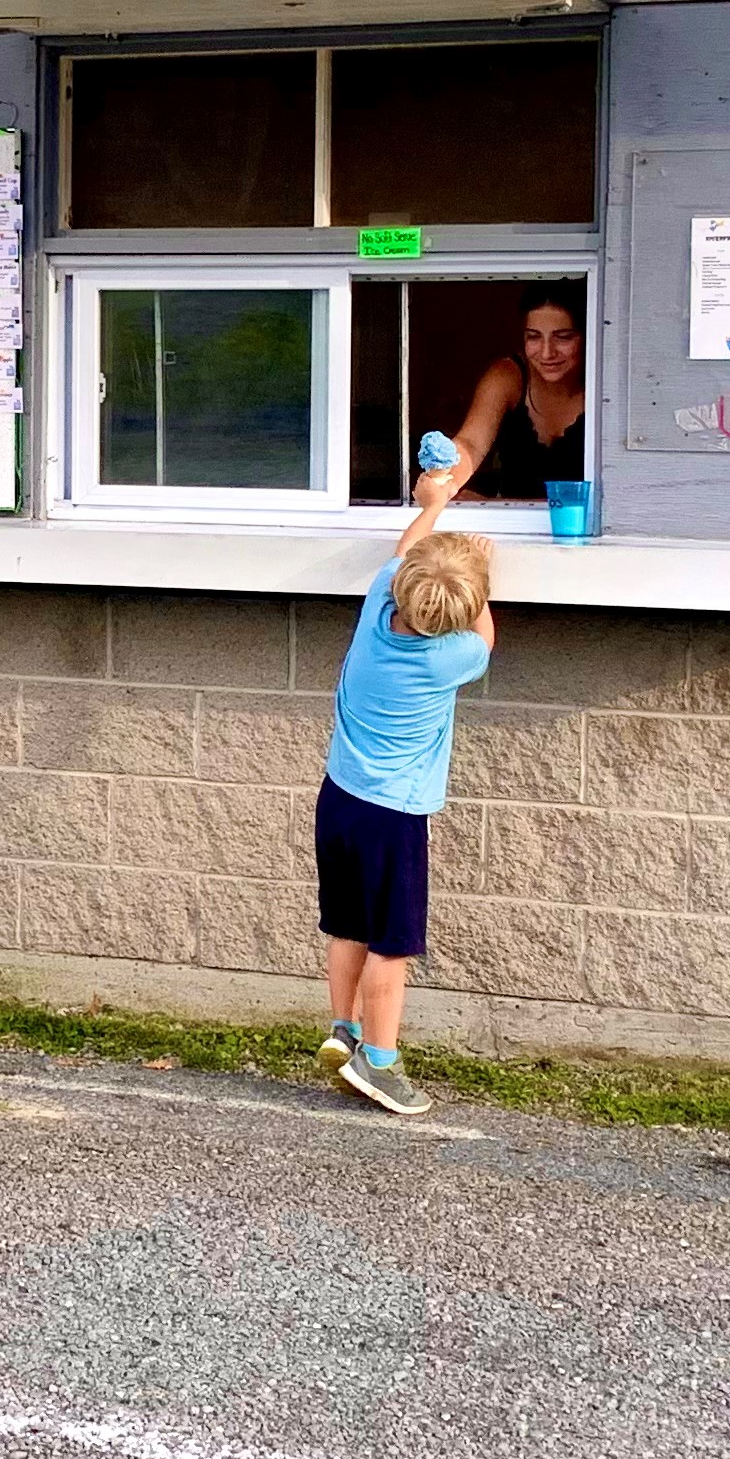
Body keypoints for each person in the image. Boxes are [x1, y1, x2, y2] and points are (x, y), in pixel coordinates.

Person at [314, 462, 495, 1118]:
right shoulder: (455, 655)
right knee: (392, 944)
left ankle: (344, 1030)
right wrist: (478, 576)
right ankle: (382, 1065)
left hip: (338, 803)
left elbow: (401, 559)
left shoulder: (375, 608)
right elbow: (485, 634)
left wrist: (433, 506)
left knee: (347, 926)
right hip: (395, 820)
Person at [429, 282, 586, 504]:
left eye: (563, 336)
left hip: (578, 531)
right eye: (534, 336)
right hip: (513, 527)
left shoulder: (605, 386)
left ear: (588, 336)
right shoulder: (508, 376)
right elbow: (470, 443)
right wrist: (444, 482)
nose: (547, 352)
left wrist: (494, 504)